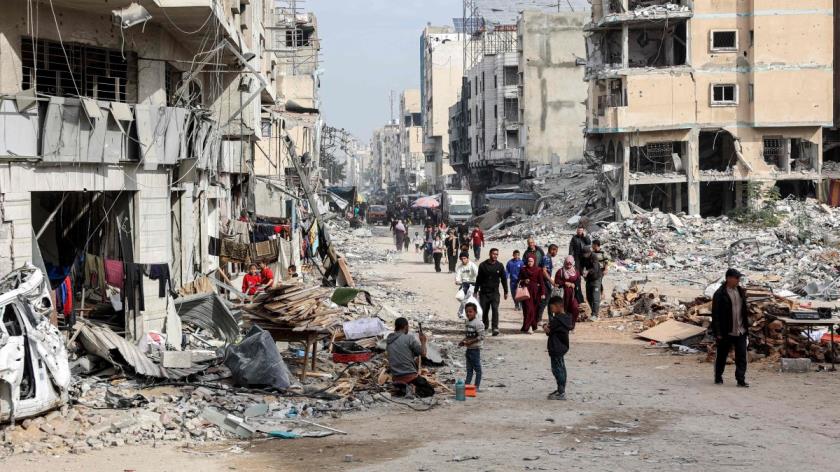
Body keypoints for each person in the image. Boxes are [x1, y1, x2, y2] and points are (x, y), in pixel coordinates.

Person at [712, 269, 750, 387]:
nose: (738, 280)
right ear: (728, 278)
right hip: (726, 331)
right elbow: (716, 315)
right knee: (722, 356)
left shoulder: (740, 291)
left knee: (741, 356)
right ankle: (718, 376)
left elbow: (744, 310)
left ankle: (740, 379)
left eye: (739, 278)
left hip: (741, 330)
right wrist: (718, 332)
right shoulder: (719, 294)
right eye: (736, 278)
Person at [386, 318, 435, 397]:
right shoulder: (408, 338)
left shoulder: (389, 339)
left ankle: (404, 390)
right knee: (430, 391)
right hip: (408, 376)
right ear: (405, 327)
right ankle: (412, 390)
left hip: (395, 378)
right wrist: (423, 341)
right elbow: (423, 354)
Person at [543, 296, 573, 400]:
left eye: (552, 308)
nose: (551, 310)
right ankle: (560, 390)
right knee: (561, 368)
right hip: (562, 347)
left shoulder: (557, 320)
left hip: (556, 348)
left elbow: (549, 331)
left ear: (558, 306)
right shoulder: (566, 318)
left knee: (557, 370)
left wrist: (544, 326)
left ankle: (561, 392)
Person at [475, 247, 508, 336]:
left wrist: (506, 291)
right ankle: (485, 327)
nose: (495, 256)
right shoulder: (482, 265)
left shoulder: (500, 266)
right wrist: (475, 291)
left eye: (497, 254)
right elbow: (479, 279)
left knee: (495, 309)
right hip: (484, 292)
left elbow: (504, 279)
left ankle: (495, 328)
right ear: (490, 254)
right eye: (493, 254)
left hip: (494, 292)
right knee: (484, 310)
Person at [459, 302, 484, 390]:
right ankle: (466, 386)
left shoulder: (478, 323)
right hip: (469, 350)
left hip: (475, 350)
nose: (468, 313)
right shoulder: (467, 322)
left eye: (470, 311)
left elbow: (482, 336)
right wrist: (463, 341)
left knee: (478, 370)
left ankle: (476, 387)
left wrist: (471, 342)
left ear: (475, 312)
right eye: (467, 312)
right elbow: (468, 335)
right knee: (469, 370)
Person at [518, 255, 545, 333]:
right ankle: (528, 326)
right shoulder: (523, 269)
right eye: (529, 261)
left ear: (534, 261)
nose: (530, 263)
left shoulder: (538, 270)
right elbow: (519, 280)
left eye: (531, 261)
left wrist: (543, 293)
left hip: (535, 292)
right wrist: (524, 281)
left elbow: (541, 282)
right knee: (528, 309)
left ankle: (531, 325)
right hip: (525, 291)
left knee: (534, 309)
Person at [582, 239, 608, 319]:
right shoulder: (584, 257)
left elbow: (595, 268)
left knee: (595, 296)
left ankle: (594, 314)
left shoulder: (594, 256)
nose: (585, 255)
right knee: (589, 297)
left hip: (597, 277)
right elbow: (581, 266)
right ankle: (594, 311)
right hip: (589, 279)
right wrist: (582, 272)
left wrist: (588, 272)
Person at [554, 256, 580, 324]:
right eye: (567, 263)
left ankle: (571, 325)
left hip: (573, 295)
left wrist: (574, 285)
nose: (568, 265)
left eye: (570, 264)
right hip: (562, 295)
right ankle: (560, 325)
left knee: (575, 309)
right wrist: (564, 283)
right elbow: (556, 281)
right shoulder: (560, 271)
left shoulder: (575, 271)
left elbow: (578, 282)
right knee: (561, 310)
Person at [537, 244, 559, 323]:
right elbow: (544, 271)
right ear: (552, 250)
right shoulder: (546, 258)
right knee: (544, 301)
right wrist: (552, 282)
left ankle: (551, 319)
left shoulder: (548, 258)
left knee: (550, 302)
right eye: (556, 251)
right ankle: (538, 319)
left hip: (547, 282)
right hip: (545, 283)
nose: (556, 253)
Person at [454, 252, 479, 318]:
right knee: (459, 297)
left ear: (468, 258)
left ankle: (460, 312)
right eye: (461, 259)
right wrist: (457, 281)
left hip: (473, 284)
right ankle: (467, 308)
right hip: (464, 284)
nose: (463, 260)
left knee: (469, 294)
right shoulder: (460, 267)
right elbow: (457, 277)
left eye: (464, 258)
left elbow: (478, 275)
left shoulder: (472, 265)